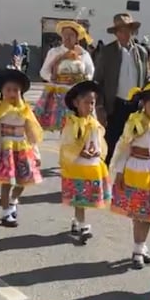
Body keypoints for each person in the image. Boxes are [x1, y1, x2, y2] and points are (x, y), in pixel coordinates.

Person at [109, 78, 150, 268]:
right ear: (144, 104)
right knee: (140, 213)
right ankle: (137, 249)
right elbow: (124, 148)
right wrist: (119, 172)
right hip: (137, 170)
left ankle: (141, 245)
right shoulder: (135, 122)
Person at [0, 68, 43, 227]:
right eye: (8, 89)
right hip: (5, 150)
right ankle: (5, 212)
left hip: (22, 149)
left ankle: (13, 200)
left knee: (23, 181)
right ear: (2, 91)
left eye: (15, 89)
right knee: (6, 182)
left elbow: (32, 135)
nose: (12, 93)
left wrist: (36, 155)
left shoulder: (25, 110)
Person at [93, 13, 149, 163]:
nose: (124, 34)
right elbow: (97, 80)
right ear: (116, 33)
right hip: (115, 105)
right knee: (110, 144)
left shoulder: (141, 52)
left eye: (127, 30)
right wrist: (99, 107)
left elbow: (146, 79)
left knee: (133, 145)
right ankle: (104, 179)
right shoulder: (107, 52)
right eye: (120, 30)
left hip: (135, 106)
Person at [59, 80, 110, 242]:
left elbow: (99, 140)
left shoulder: (94, 123)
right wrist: (81, 151)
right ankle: (82, 224)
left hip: (91, 166)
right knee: (80, 197)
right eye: (86, 102)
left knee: (83, 197)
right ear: (76, 103)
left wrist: (98, 152)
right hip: (77, 166)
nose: (90, 106)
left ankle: (76, 221)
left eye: (92, 103)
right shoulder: (72, 123)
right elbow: (67, 143)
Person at [35, 20, 94, 132]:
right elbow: (43, 72)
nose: (67, 37)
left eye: (71, 35)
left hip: (77, 95)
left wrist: (82, 81)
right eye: (65, 34)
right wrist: (53, 78)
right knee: (63, 128)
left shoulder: (83, 54)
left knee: (78, 128)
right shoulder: (55, 52)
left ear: (77, 38)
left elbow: (90, 72)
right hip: (59, 95)